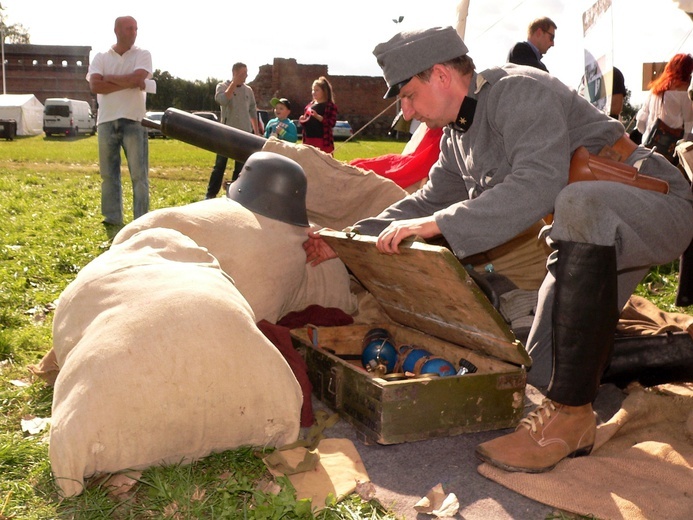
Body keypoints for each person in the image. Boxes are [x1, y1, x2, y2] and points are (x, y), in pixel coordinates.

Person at [303, 26, 693, 474]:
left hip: (655, 201)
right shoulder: (457, 138)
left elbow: (539, 183)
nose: (407, 112)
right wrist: (349, 238)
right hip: (590, 236)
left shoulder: (517, 92)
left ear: (440, 76)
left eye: (409, 96)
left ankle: (570, 420)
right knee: (543, 371)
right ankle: (682, 353)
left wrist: (436, 226)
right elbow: (427, 201)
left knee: (576, 200)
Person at [87, 15, 152, 228]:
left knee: (139, 176)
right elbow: (95, 87)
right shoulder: (100, 56)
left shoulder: (143, 54)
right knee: (108, 176)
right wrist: (130, 81)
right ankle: (113, 219)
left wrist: (109, 78)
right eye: (128, 28)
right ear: (116, 30)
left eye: (135, 28)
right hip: (106, 122)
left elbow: (136, 79)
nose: (133, 32)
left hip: (134, 121)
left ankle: (141, 220)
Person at [205, 62, 259, 199]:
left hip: (244, 134)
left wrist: (256, 132)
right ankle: (210, 194)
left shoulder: (249, 91)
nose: (245, 76)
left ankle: (234, 195)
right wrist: (233, 84)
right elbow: (222, 100)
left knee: (240, 168)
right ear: (234, 73)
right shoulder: (222, 86)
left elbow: (253, 111)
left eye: (246, 73)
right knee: (219, 166)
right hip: (226, 134)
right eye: (242, 74)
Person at [635, 53, 693, 162]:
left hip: (646, 151)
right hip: (668, 156)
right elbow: (688, 127)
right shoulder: (684, 96)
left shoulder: (653, 91)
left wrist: (650, 134)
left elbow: (640, 123)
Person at [299, 76, 338, 154]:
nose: (314, 92)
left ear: (324, 92)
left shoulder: (329, 106)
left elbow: (332, 123)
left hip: (322, 141)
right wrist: (303, 120)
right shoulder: (309, 106)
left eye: (317, 90)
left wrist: (319, 118)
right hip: (308, 139)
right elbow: (306, 123)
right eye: (313, 90)